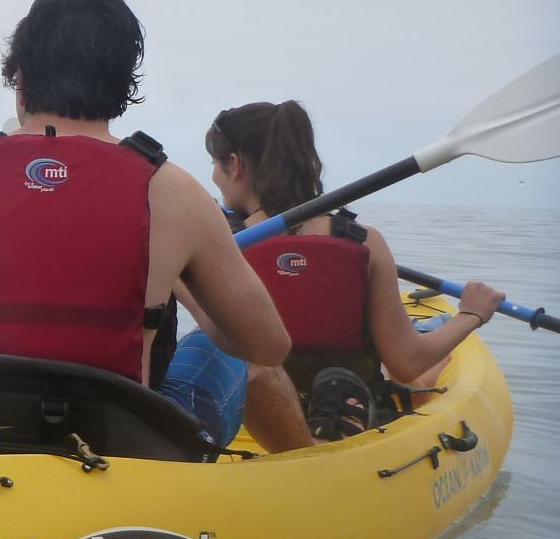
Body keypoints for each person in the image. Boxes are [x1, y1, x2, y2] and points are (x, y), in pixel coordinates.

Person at [0, 0, 291, 450]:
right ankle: (306, 467)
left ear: (20, 80)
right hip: (115, 451)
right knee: (213, 351)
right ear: (125, 85)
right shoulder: (175, 192)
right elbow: (267, 347)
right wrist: (183, 286)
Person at [204, 100, 505, 437]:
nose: (213, 175)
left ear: (234, 164)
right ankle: (342, 404)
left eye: (214, 162)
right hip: (357, 406)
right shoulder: (364, 242)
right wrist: (471, 314)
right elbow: (406, 363)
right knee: (433, 370)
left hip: (260, 415)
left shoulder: (222, 248)